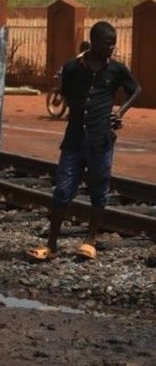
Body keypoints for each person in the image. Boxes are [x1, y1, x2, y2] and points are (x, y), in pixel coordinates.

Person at [28, 21, 141, 261]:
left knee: (99, 190)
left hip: (101, 141)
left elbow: (135, 90)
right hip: (74, 140)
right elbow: (67, 93)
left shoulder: (117, 70)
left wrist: (119, 113)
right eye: (107, 43)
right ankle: (52, 244)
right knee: (63, 190)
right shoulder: (71, 68)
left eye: (114, 44)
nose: (112, 48)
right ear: (94, 42)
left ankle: (90, 241)